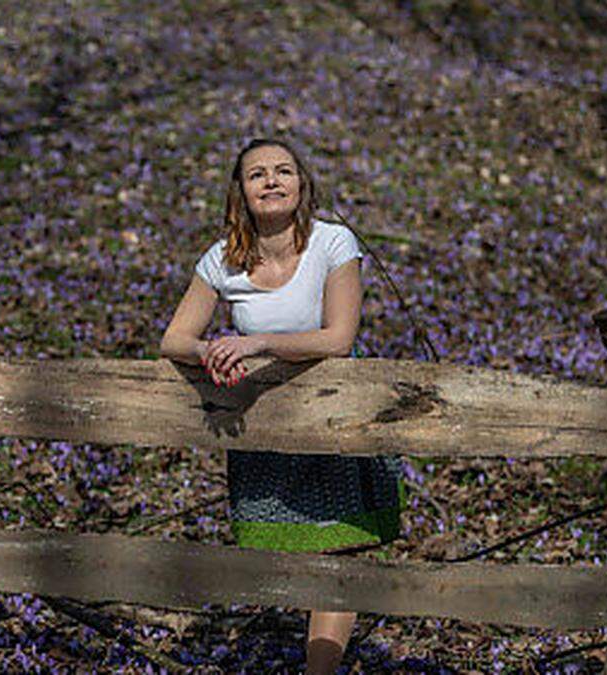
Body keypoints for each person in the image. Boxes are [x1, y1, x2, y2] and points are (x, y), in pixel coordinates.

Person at [159, 138, 404, 674]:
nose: (271, 181)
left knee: (339, 552)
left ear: (301, 184)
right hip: (267, 425)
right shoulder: (222, 258)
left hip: (335, 417)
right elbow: (173, 339)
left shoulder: (333, 242)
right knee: (291, 555)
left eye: (283, 171)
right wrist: (211, 350)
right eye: (257, 175)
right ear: (241, 194)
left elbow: (338, 338)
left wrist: (253, 343)